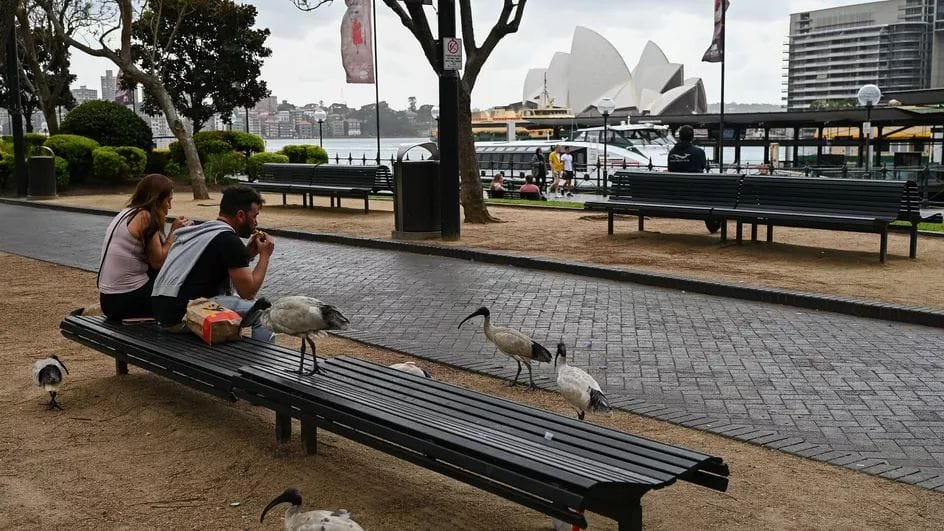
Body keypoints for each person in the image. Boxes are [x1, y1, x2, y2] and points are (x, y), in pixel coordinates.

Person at [151, 185, 275, 342]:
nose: (256, 223)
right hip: (187, 314)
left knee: (241, 307)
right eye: (255, 216)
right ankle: (264, 365)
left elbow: (212, 266)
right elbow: (248, 292)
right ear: (240, 215)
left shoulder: (205, 231)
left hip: (164, 313)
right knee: (264, 313)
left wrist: (247, 254)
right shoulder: (229, 239)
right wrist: (265, 255)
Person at [98, 174, 192, 321]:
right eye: (168, 201)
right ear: (156, 200)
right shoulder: (146, 217)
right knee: (183, 291)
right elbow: (158, 261)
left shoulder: (127, 212)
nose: (170, 206)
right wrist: (174, 232)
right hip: (125, 299)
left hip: (108, 299)